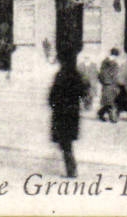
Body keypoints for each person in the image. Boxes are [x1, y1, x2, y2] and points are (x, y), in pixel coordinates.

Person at [48, 47, 92, 179]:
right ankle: (71, 169)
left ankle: (71, 170)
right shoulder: (77, 75)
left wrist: (54, 104)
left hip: (61, 113)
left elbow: (53, 96)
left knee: (65, 142)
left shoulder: (61, 75)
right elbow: (84, 91)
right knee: (67, 142)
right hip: (73, 113)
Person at [96, 47, 124, 122]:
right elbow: (102, 74)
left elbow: (116, 74)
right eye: (113, 56)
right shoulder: (105, 62)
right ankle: (112, 118)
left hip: (114, 85)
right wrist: (106, 82)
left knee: (109, 101)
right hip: (108, 85)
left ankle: (100, 113)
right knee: (110, 101)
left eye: (115, 57)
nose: (114, 58)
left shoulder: (115, 63)